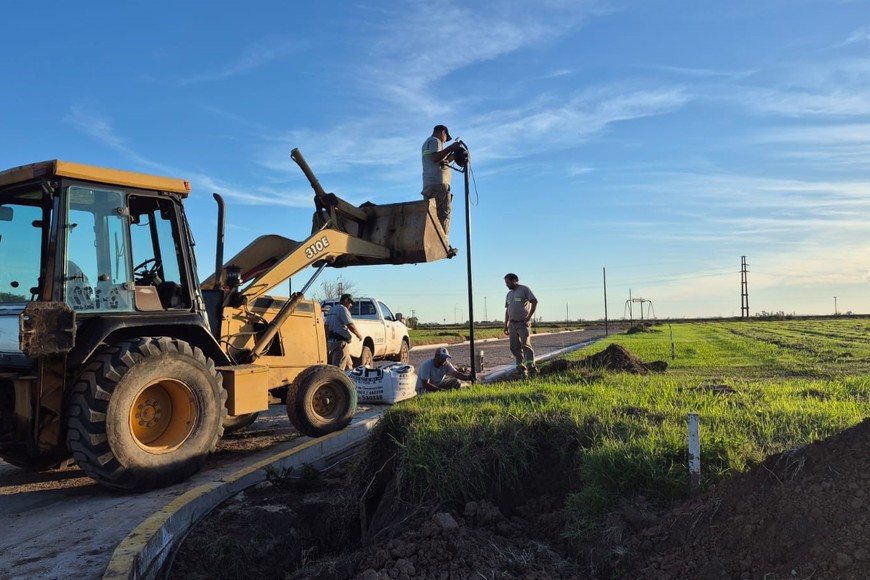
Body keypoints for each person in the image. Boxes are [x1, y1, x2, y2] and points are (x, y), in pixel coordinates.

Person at [421, 124, 464, 235]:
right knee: (443, 215)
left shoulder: (426, 144)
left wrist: (453, 155)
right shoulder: (435, 141)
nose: (445, 142)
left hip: (429, 185)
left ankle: (432, 242)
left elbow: (441, 162)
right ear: (443, 132)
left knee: (430, 217)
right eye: (446, 139)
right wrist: (451, 148)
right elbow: (436, 158)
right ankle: (443, 245)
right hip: (439, 184)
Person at [503, 273, 538, 377]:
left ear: (514, 280)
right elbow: (507, 311)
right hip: (512, 325)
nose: (506, 285)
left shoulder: (524, 289)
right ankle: (520, 369)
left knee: (525, 345)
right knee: (514, 347)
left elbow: (535, 301)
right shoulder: (509, 294)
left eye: (508, 282)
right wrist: (506, 325)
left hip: (523, 323)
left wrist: (529, 317)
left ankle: (531, 368)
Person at [325, 293, 363, 371]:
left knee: (349, 365)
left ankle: (352, 379)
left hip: (332, 341)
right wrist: (358, 334)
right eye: (350, 303)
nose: (351, 305)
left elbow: (326, 326)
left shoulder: (332, 309)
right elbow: (350, 324)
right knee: (339, 367)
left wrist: (328, 338)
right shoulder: (343, 309)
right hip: (340, 342)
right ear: (346, 300)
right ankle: (337, 382)